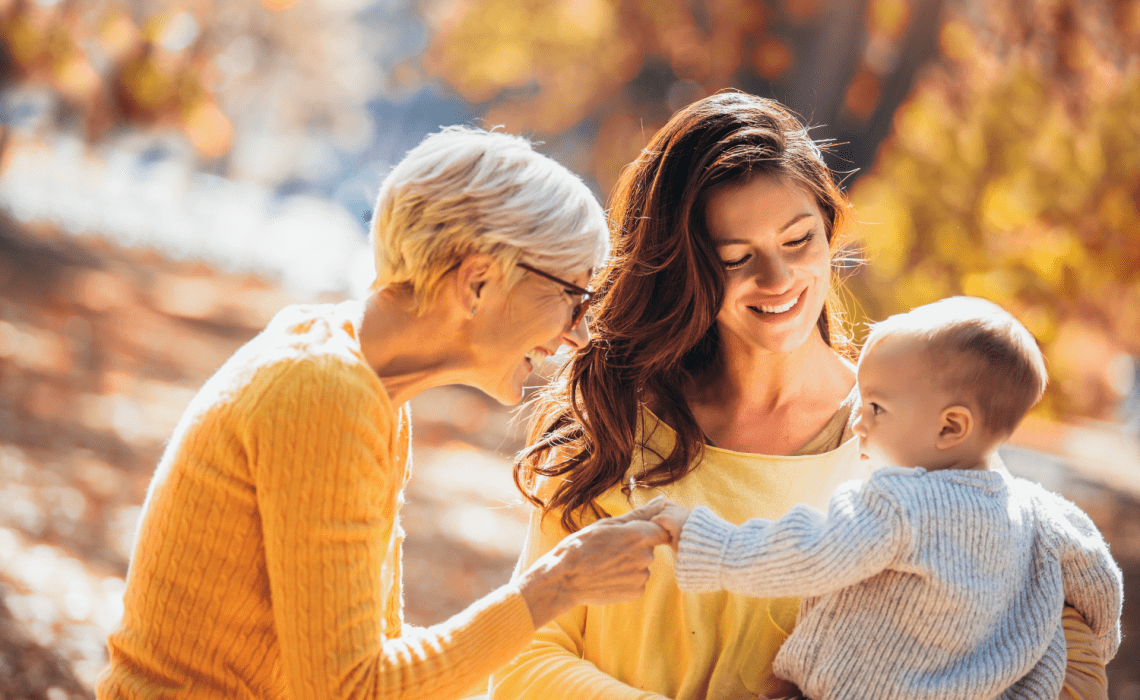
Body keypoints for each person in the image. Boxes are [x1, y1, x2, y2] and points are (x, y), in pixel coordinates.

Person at [489, 92, 1114, 700]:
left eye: (798, 242)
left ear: (829, 229)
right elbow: (525, 661)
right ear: (684, 267)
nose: (779, 279)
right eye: (737, 257)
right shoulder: (617, 427)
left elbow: (1045, 625)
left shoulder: (908, 435)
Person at [96, 126, 672, 700]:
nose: (576, 336)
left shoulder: (369, 386)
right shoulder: (322, 392)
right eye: (573, 298)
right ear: (477, 282)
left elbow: (375, 658)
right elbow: (348, 691)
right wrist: (555, 585)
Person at [652, 296, 1123, 700]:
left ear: (950, 427)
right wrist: (1097, 650)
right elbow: (1102, 589)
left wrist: (706, 540)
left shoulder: (897, 505)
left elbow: (808, 552)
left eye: (877, 407)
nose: (859, 420)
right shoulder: (1040, 512)